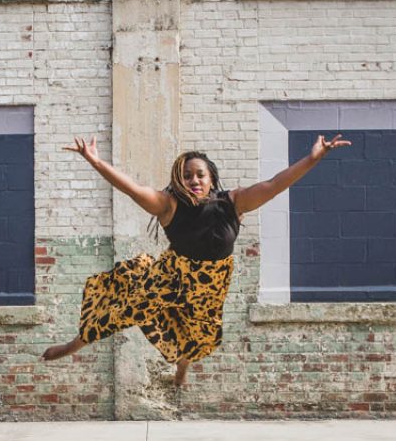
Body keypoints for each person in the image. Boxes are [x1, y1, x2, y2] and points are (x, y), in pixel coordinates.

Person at [41, 133, 351, 385]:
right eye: (187, 176)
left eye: (200, 175)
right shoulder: (168, 205)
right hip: (172, 276)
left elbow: (274, 185)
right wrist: (95, 161)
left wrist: (312, 158)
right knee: (127, 306)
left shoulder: (234, 202)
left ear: (211, 178)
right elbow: (132, 189)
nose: (194, 180)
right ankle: (75, 344)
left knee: (201, 334)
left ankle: (182, 368)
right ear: (179, 180)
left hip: (210, 286)